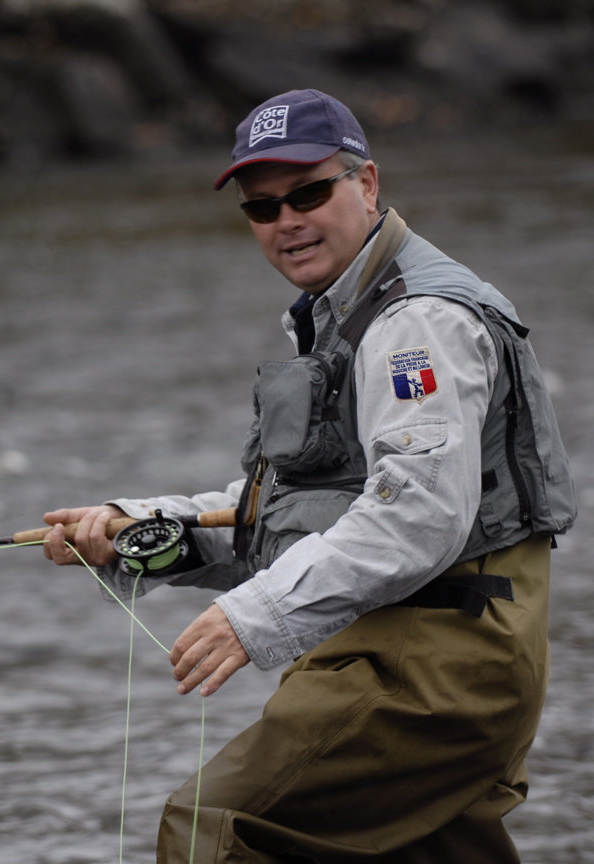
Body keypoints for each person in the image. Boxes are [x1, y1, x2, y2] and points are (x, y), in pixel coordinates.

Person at [44, 89, 577, 863]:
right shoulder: (335, 316)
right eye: (263, 209)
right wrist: (135, 533)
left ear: (366, 184)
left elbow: (418, 513)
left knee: (215, 829)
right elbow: (283, 514)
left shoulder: (415, 324)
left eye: (309, 192)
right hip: (404, 653)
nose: (287, 221)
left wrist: (252, 617)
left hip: (437, 669)